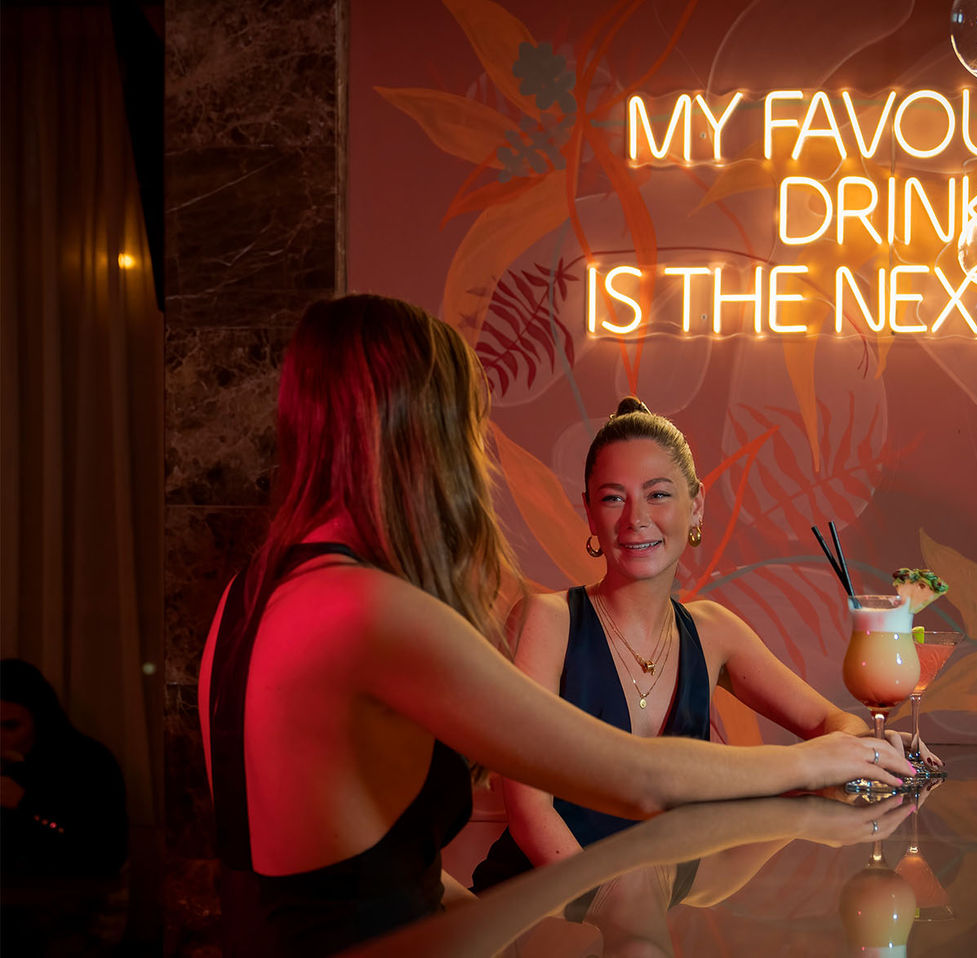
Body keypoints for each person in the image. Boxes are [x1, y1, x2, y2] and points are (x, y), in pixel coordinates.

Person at [196, 295, 913, 958]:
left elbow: (367, 887)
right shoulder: (372, 610)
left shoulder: (252, 594)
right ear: (421, 434)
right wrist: (814, 761)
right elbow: (635, 780)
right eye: (468, 429)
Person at [472, 397, 937, 893]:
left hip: (654, 910)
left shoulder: (714, 631)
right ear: (588, 512)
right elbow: (529, 810)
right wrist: (605, 907)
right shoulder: (547, 621)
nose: (635, 519)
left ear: (695, 505)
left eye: (658, 494)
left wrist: (872, 743)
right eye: (612, 498)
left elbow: (833, 723)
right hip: (540, 904)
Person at [1, 658, 129, 955]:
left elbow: (103, 852)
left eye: (10, 726)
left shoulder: (87, 762)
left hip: (75, 910)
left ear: (39, 718)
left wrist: (27, 804)